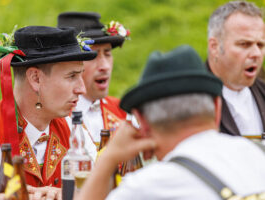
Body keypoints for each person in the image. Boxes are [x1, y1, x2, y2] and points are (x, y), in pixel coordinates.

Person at [76, 45, 265, 200]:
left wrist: (109, 158)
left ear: (143, 123)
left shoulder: (150, 185)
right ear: (217, 108)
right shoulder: (259, 153)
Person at [0, 25, 97, 193]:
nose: (82, 89)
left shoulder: (72, 128)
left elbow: (101, 189)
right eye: (72, 76)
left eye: (80, 75)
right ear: (35, 79)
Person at [57, 12, 132, 148]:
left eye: (107, 53)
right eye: (93, 55)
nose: (104, 66)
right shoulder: (55, 118)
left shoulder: (122, 111)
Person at [207, 0, 265, 137]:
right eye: (244, 44)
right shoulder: (193, 101)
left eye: (261, 45)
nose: (256, 53)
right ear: (215, 47)